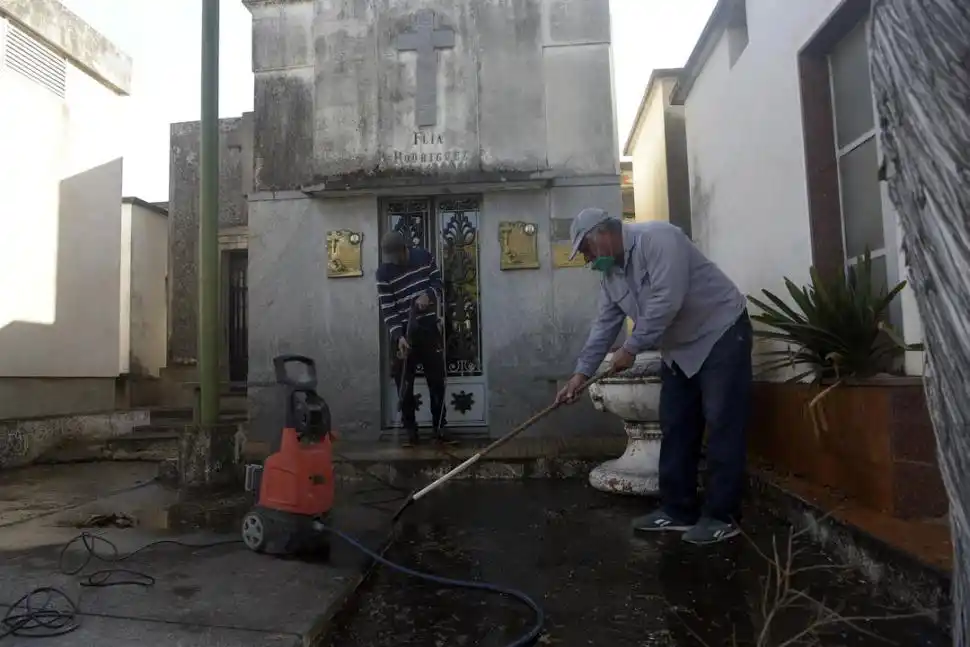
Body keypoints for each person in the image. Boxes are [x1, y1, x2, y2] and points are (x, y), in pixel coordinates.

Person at [555, 208, 752, 545]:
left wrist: (631, 348)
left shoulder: (660, 239)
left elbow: (666, 300)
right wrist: (580, 374)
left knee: (722, 422)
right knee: (675, 425)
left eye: (586, 249)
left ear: (602, 234)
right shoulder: (612, 276)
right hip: (678, 349)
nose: (587, 259)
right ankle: (678, 510)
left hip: (720, 334)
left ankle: (722, 516)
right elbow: (603, 326)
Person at [377, 231, 449, 447]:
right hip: (403, 335)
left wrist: (429, 295)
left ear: (404, 249)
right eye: (389, 258)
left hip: (427, 329)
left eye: (395, 257)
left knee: (436, 380)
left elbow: (439, 282)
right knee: (404, 385)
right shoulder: (383, 272)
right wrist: (398, 336)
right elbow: (388, 307)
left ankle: (440, 429)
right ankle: (411, 433)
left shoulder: (424, 257)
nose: (393, 262)